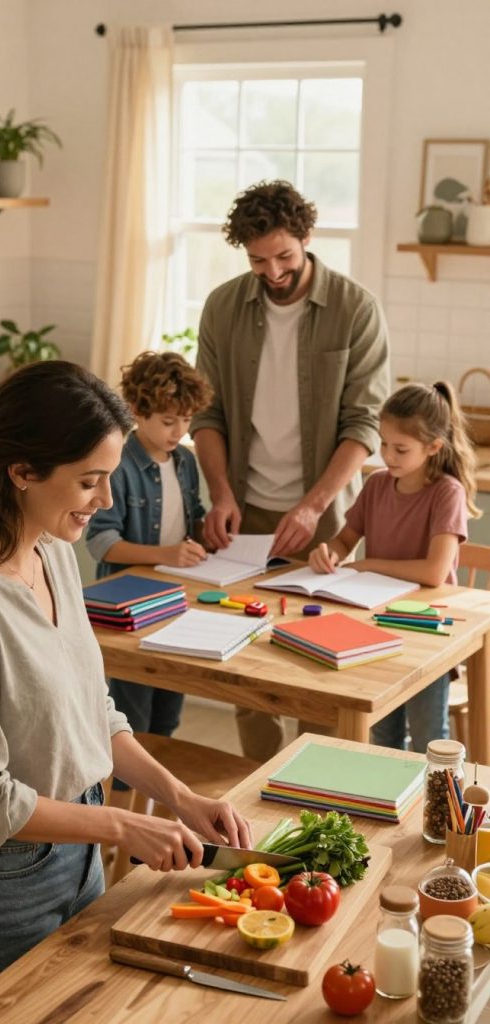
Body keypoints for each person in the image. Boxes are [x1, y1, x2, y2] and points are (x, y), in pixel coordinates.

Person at [0, 361, 251, 1020]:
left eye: (108, 479)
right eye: (89, 482)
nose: (106, 503)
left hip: (77, 855)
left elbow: (92, 710)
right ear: (22, 472)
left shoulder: (53, 553)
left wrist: (175, 797)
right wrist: (123, 825)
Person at [190, 179, 390, 760]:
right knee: (243, 661)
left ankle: (317, 790)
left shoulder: (355, 308)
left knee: (319, 662)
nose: (273, 272)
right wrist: (221, 492)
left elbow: (364, 424)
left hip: (326, 517)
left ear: (306, 238)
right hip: (245, 510)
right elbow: (209, 411)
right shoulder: (223, 306)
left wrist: (312, 505)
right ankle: (259, 782)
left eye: (284, 256)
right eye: (258, 260)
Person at [309, 380, 481, 752]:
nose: (388, 455)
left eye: (400, 448)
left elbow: (435, 572)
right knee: (383, 736)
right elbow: (344, 540)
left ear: (434, 447)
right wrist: (331, 553)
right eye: (384, 444)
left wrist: (367, 565)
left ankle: (432, 810)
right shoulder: (376, 485)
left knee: (427, 740)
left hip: (427, 632)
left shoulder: (446, 493)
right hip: (375, 627)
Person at [86, 350, 211, 797]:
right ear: (137, 412)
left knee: (167, 717)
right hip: (129, 610)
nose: (180, 432)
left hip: (178, 602)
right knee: (130, 721)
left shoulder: (186, 462)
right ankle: (123, 817)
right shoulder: (118, 463)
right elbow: (101, 541)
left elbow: (192, 517)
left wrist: (208, 538)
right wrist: (167, 554)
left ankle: (154, 816)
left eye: (186, 420)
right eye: (168, 421)